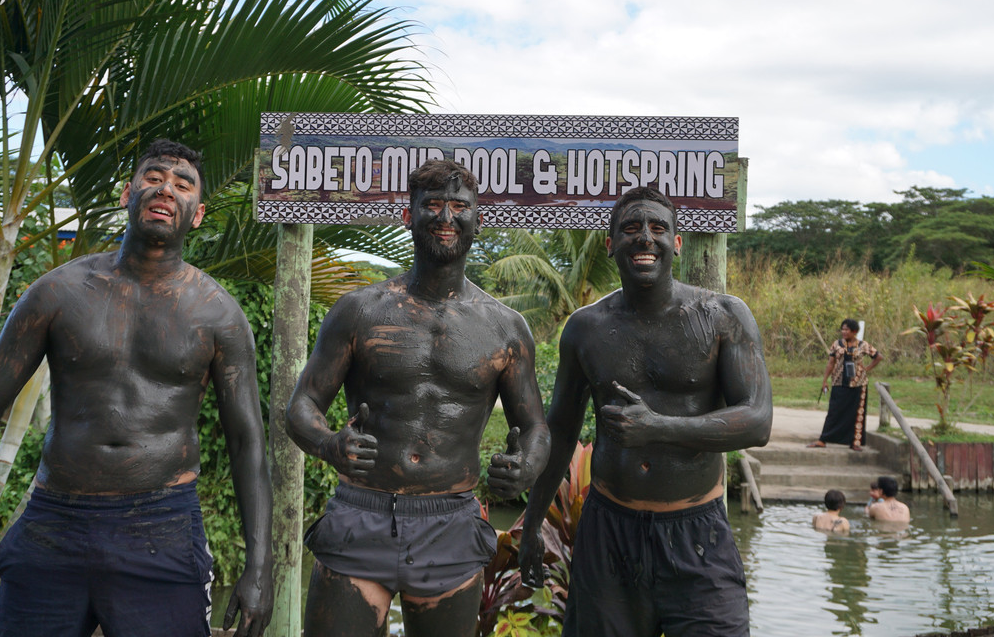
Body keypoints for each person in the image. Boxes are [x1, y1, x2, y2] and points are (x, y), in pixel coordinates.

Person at [0, 140, 273, 637]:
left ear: (197, 214)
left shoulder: (218, 314)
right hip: (54, 522)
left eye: (182, 183)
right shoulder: (58, 292)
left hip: (161, 528)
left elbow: (247, 440)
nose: (166, 188)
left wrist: (260, 562)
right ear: (128, 194)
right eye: (153, 177)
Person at [285, 159, 549, 637]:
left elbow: (534, 428)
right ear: (407, 216)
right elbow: (301, 406)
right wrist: (329, 445)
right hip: (361, 511)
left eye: (459, 207)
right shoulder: (358, 311)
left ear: (477, 219)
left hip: (450, 519)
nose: (446, 217)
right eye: (432, 205)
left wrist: (524, 467)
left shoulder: (505, 327)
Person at [519, 186, 773, 637]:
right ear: (610, 241)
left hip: (698, 534)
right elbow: (561, 430)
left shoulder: (722, 316)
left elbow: (757, 420)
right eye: (631, 228)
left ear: (676, 242)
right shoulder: (585, 329)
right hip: (609, 532)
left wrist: (659, 428)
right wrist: (533, 523)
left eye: (658, 228)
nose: (645, 238)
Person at [808, 318, 883, 452]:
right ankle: (823, 439)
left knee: (856, 413)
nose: (844, 332)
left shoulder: (863, 345)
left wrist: (867, 368)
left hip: (858, 384)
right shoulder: (836, 344)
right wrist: (825, 380)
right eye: (842, 329)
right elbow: (831, 363)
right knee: (834, 411)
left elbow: (878, 357)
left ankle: (855, 442)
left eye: (847, 330)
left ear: (854, 331)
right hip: (838, 382)